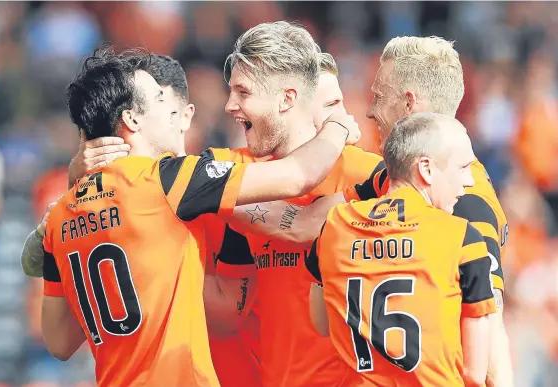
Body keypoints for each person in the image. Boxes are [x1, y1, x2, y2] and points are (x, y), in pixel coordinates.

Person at [20, 50, 356, 387]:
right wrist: (338, 122)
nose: (173, 109)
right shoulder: (164, 180)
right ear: (132, 120)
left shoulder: (59, 214)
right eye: (157, 97)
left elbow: (59, 342)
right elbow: (301, 173)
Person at [217, 35, 513, 387]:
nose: (369, 111)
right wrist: (214, 193)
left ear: (408, 104)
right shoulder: (393, 181)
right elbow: (303, 222)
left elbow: (492, 341)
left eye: (379, 96)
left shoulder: (468, 205)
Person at [306, 112, 496, 387]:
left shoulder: (335, 226)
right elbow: (475, 374)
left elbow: (322, 324)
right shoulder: (463, 238)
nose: (468, 181)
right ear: (426, 169)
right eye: (463, 167)